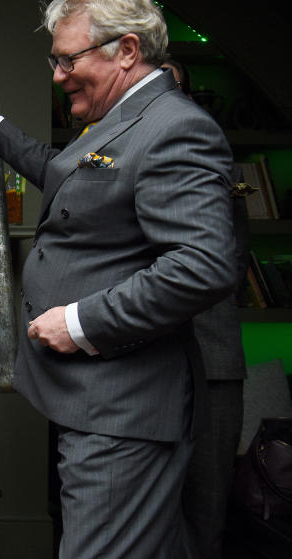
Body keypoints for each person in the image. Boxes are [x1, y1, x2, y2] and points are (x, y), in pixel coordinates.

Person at [0, 0, 235, 559]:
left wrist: (79, 323)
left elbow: (203, 265)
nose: (58, 77)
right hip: (93, 400)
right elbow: (69, 175)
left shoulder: (175, 127)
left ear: (127, 50)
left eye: (66, 60)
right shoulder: (117, 123)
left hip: (122, 410)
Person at [164, 58, 250, 559]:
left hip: (213, 359)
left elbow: (232, 256)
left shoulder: (218, 158)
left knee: (207, 505)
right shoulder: (111, 153)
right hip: (141, 366)